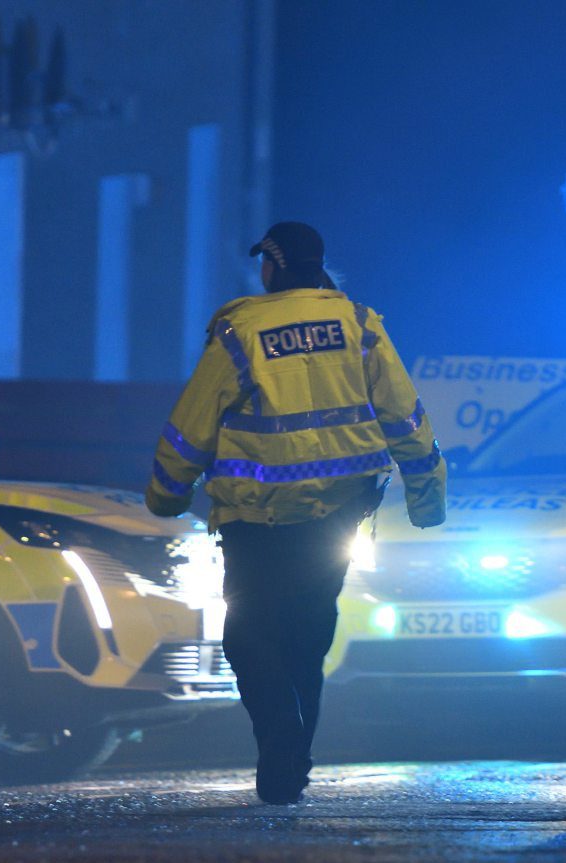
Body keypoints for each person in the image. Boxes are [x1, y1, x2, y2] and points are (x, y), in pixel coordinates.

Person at [146, 221, 447, 804]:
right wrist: (426, 496)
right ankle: (294, 756)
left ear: (272, 265)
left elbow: (192, 425)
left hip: (257, 517)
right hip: (337, 512)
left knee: (249, 634)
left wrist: (167, 493)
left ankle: (280, 743)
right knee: (307, 635)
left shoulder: (241, 330)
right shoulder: (358, 323)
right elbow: (404, 415)